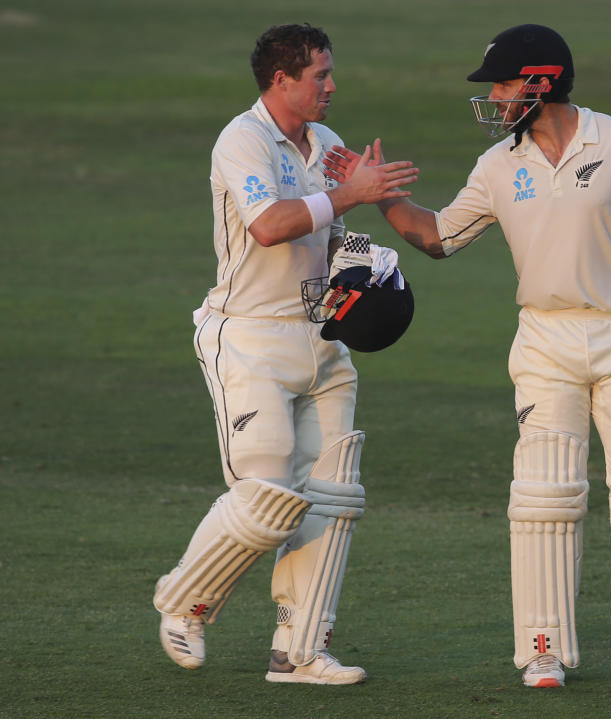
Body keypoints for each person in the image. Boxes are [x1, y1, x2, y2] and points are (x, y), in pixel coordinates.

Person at [323, 24, 611, 687]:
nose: (494, 98)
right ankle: (542, 644)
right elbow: (438, 236)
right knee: (545, 494)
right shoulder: (499, 167)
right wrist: (381, 196)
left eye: (502, 84)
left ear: (541, 82)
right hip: (545, 339)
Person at [152, 23, 419, 685]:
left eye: (330, 74)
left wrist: (367, 263)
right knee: (269, 487)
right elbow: (270, 225)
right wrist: (349, 193)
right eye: (320, 76)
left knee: (332, 493)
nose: (332, 86)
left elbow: (331, 235)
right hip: (248, 336)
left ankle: (300, 649)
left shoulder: (324, 144)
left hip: (319, 336)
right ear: (282, 80)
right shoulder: (241, 139)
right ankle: (184, 600)